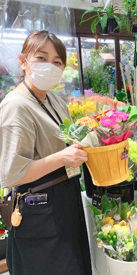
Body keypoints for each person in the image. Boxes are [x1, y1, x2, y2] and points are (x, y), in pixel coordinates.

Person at [0, 31, 92, 275]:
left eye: (57, 62)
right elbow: (12, 174)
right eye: (41, 58)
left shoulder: (54, 99)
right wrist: (63, 158)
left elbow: (68, 139)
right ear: (23, 61)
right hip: (38, 207)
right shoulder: (16, 106)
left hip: (65, 199)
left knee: (74, 265)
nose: (50, 67)